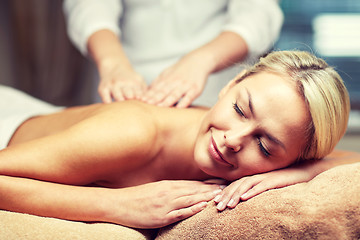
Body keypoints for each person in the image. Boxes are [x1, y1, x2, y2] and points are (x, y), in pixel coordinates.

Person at [0, 51, 357, 229]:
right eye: (240, 109)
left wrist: (293, 174)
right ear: (230, 86)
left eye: (264, 146)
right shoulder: (133, 133)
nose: (234, 140)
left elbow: (348, 158)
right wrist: (118, 206)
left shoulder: (282, 163)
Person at [63, 0, 283, 107]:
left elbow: (257, 16)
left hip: (210, 82)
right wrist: (112, 63)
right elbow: (89, 6)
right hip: (122, 78)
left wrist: (201, 61)